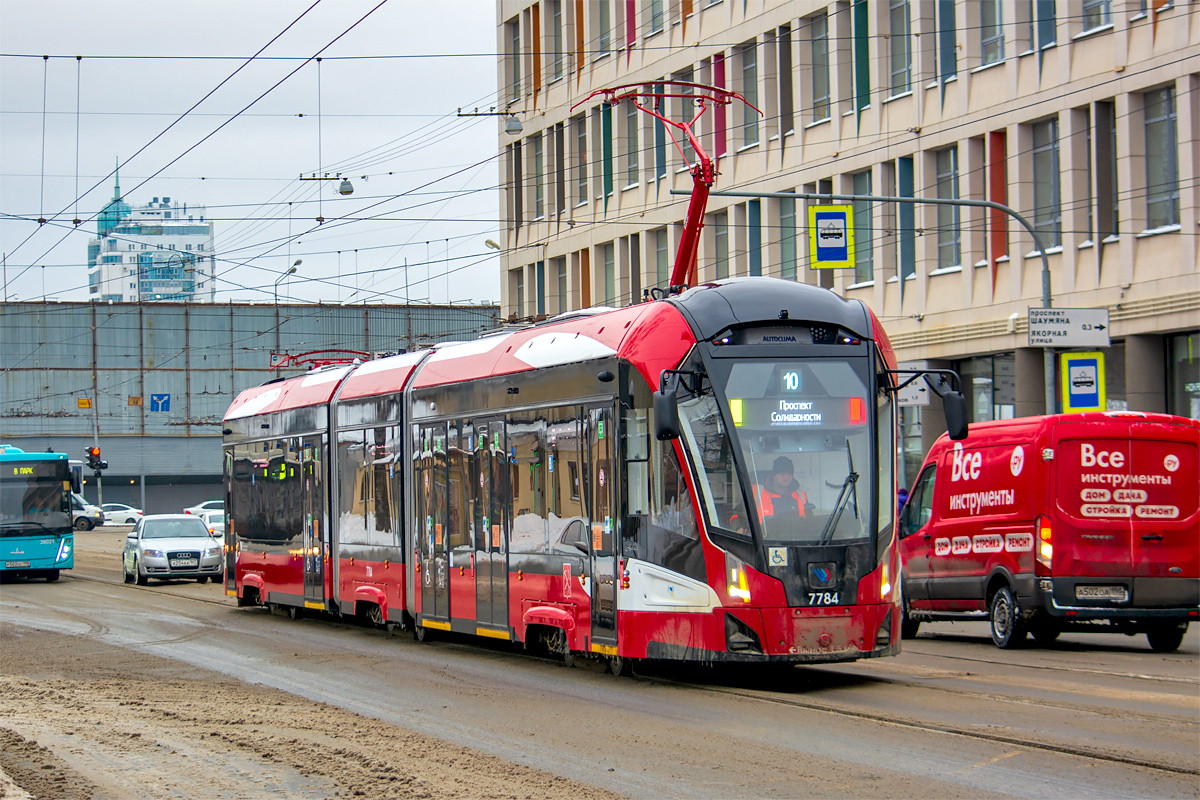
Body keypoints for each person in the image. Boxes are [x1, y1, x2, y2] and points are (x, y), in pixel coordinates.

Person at [750, 456, 809, 534]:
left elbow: (810, 522)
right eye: (782, 474)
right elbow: (738, 515)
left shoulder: (801, 495)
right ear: (774, 475)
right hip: (763, 539)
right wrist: (739, 527)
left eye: (789, 474)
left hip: (794, 539)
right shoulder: (756, 492)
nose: (786, 477)